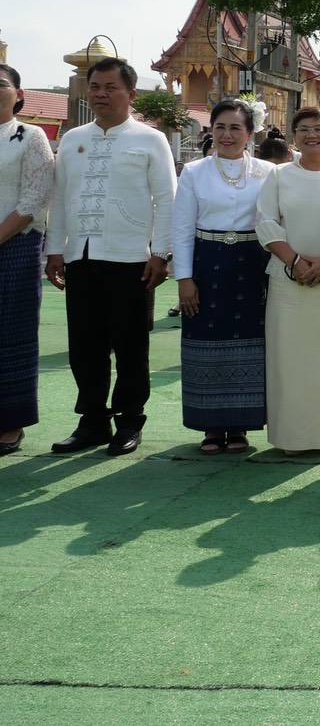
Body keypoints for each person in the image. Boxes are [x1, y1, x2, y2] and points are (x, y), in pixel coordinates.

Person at [46, 58, 175, 457]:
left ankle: (129, 420)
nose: (101, 94)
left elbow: (167, 198)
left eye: (110, 87)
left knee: (131, 344)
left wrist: (160, 252)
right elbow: (60, 198)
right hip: (81, 255)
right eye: (95, 87)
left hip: (132, 257)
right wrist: (55, 249)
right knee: (85, 344)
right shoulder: (72, 139)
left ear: (131, 94)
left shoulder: (151, 140)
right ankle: (93, 421)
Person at [256, 107, 320, 454]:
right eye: (303, 129)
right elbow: (266, 222)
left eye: (319, 128)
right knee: (289, 359)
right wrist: (296, 262)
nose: (311, 135)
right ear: (294, 135)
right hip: (289, 282)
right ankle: (291, 437)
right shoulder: (278, 175)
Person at [171, 98, 271, 453]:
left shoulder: (268, 172)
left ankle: (241, 425)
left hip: (252, 265)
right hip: (207, 263)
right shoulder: (194, 172)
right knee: (206, 339)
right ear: (210, 131)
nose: (227, 135)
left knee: (250, 341)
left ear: (250, 133)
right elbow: (182, 227)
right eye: (220, 127)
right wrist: (184, 279)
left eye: (235, 128)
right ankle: (211, 427)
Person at [0, 64, 54, 455]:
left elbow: (35, 198)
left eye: (0, 84)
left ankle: (9, 424)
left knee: (11, 336)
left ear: (19, 94)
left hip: (16, 246)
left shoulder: (30, 136)